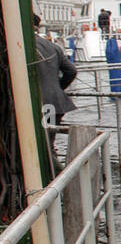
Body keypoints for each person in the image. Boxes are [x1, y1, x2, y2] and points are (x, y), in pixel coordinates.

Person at [32, 14, 76, 168]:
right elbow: (71, 71)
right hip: (55, 102)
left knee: (41, 147)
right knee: (48, 144)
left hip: (37, 103)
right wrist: (57, 87)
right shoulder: (52, 46)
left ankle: (61, 177)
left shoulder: (23, 46)